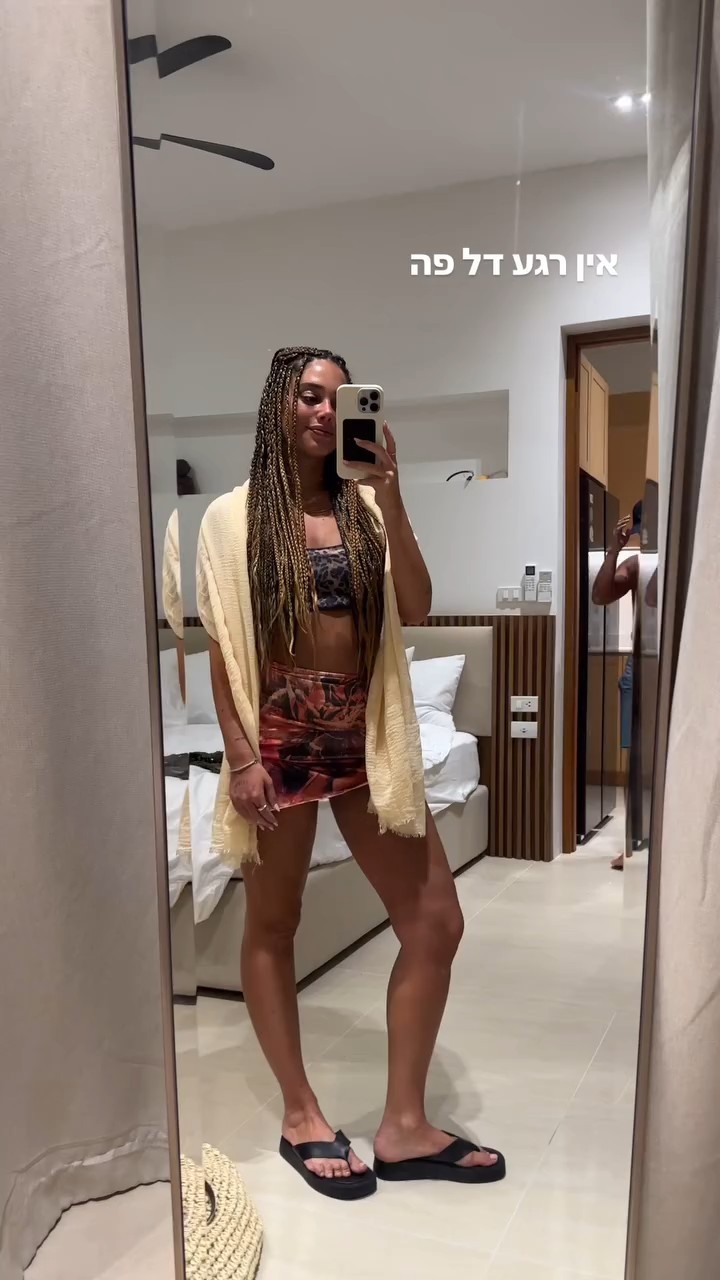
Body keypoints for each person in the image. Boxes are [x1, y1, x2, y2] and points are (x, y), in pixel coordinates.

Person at [196, 346, 505, 1201]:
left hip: (365, 735)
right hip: (280, 733)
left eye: (339, 399)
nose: (325, 412)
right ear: (278, 405)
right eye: (308, 395)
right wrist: (242, 757)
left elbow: (415, 606)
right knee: (274, 924)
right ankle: (301, 1114)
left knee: (435, 921)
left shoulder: (366, 508)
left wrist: (393, 495)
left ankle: (403, 1127)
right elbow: (224, 649)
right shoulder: (230, 518)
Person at [591, 500, 642, 869]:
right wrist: (614, 549)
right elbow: (601, 595)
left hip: (676, 666)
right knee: (638, 761)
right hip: (642, 667)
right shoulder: (639, 564)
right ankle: (633, 845)